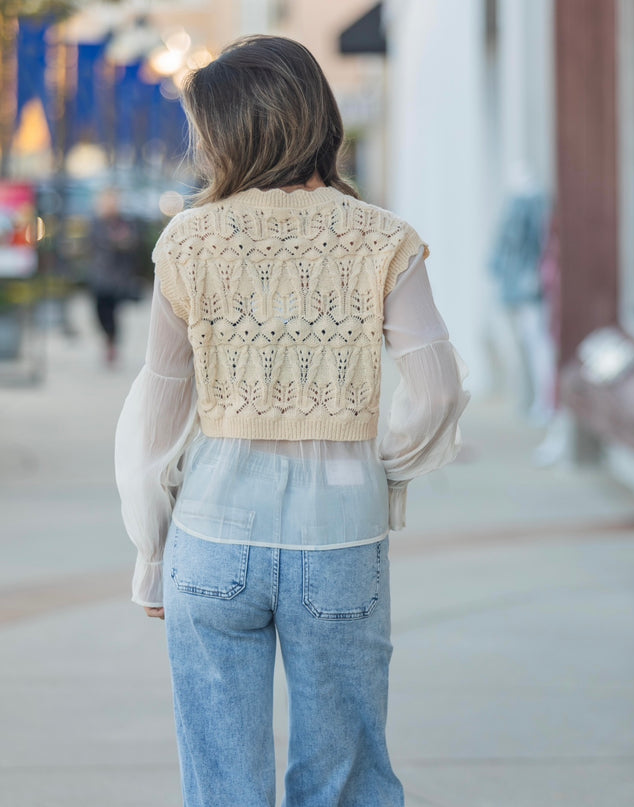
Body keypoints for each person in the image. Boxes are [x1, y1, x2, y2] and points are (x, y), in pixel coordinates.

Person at [115, 35, 469, 807]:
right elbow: (438, 391)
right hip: (338, 536)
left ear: (230, 131)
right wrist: (381, 464)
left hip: (210, 537)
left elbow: (158, 413)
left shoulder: (188, 240)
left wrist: (151, 550)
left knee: (221, 786)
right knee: (344, 781)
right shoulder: (382, 239)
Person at [88, 187, 142, 365]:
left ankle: (112, 342)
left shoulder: (125, 221)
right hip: (101, 274)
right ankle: (108, 338)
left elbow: (132, 242)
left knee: (113, 312)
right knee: (100, 311)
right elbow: (96, 243)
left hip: (119, 277)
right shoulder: (96, 222)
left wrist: (122, 241)